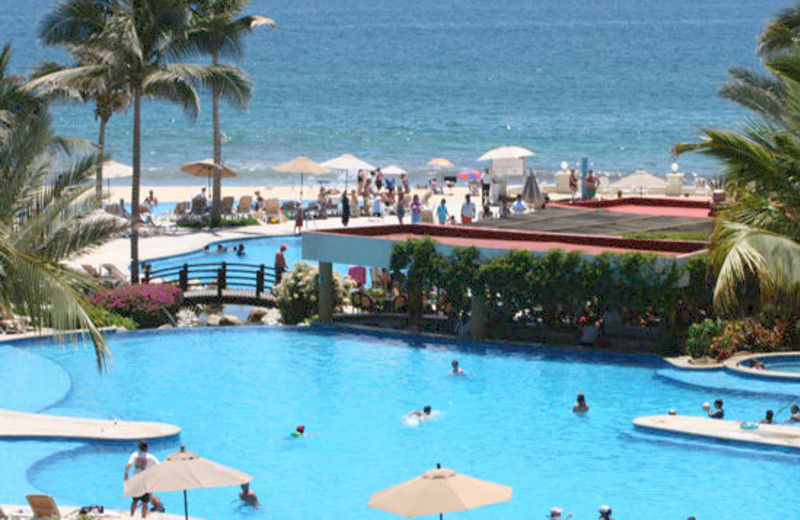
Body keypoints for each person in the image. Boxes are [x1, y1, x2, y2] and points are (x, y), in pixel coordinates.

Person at [124, 440, 159, 518]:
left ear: (139, 447)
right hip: (145, 483)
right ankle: (143, 517)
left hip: (136, 481)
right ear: (147, 447)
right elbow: (159, 467)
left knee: (134, 501)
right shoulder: (151, 457)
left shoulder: (134, 455)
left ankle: (131, 516)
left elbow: (128, 465)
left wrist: (126, 474)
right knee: (145, 503)